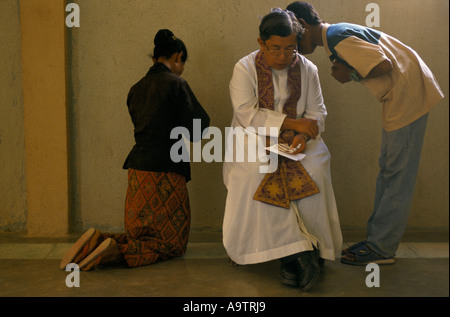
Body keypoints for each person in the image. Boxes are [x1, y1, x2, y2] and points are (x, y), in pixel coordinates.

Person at [286, 1, 444, 265]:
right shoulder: (336, 33)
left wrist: (351, 75)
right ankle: (377, 240)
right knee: (389, 170)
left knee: (397, 175)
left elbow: (382, 66)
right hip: (404, 94)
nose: (295, 47)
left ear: (302, 25)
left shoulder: (336, 38)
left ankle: (382, 248)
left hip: (408, 96)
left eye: (294, 39)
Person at [60, 29, 210, 271]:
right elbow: (200, 128)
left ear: (154, 59)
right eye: (182, 62)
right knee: (171, 243)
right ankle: (112, 252)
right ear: (178, 57)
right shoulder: (177, 84)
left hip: (138, 174)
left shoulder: (135, 88)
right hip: (167, 172)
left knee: (140, 236)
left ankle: (98, 240)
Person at [222, 8, 342, 291]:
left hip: (300, 140)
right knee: (257, 171)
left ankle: (308, 250)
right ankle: (298, 254)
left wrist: (303, 136)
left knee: (315, 168)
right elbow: (246, 115)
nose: (282, 56)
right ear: (261, 43)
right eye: (275, 48)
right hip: (252, 136)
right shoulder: (244, 68)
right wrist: (293, 123)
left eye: (289, 48)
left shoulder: (308, 69)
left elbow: (318, 113)